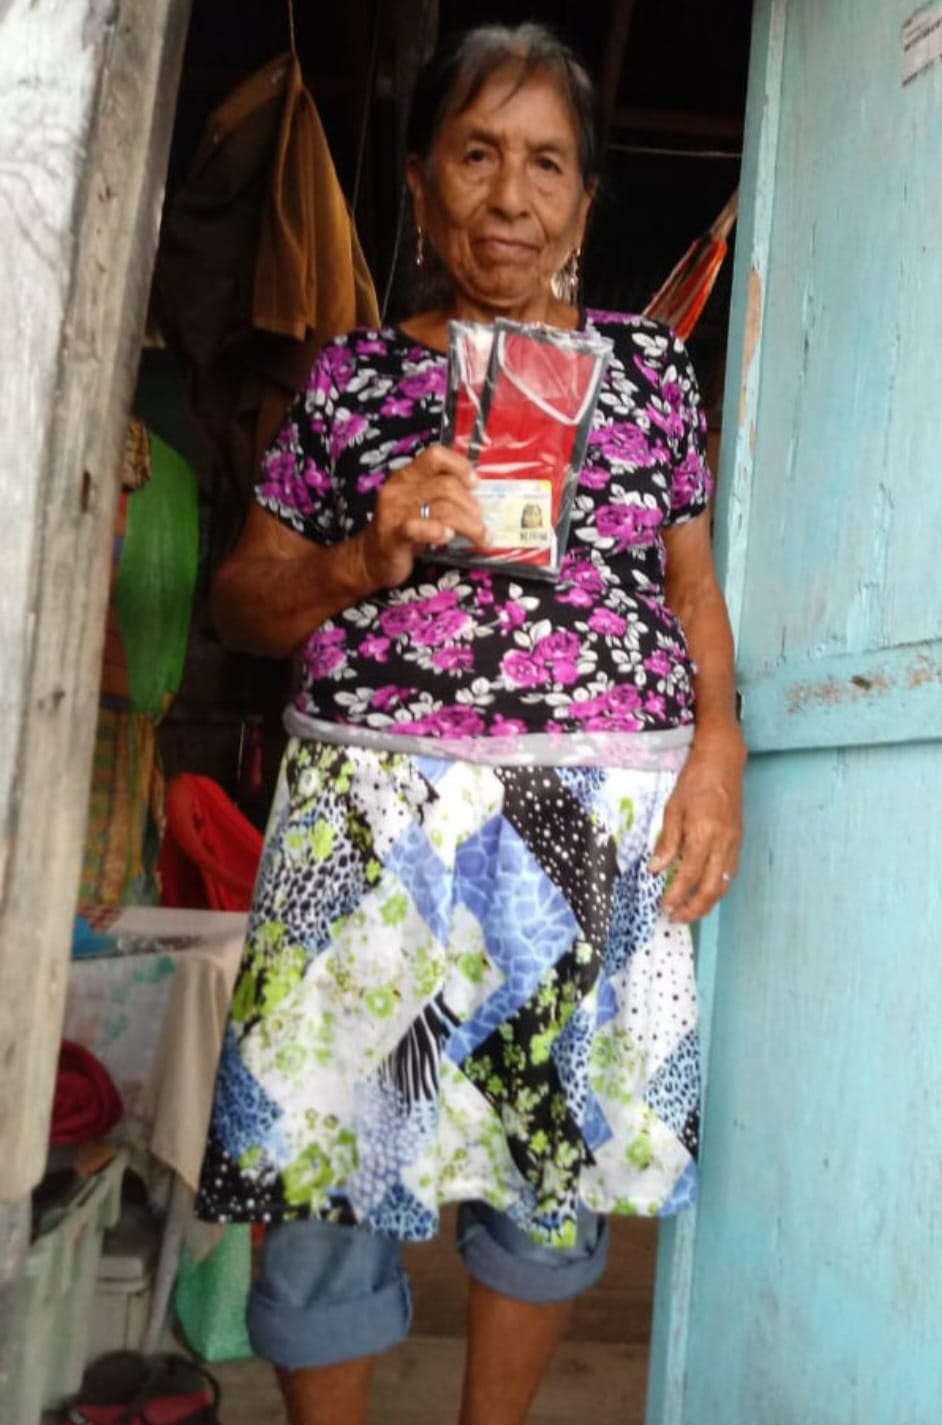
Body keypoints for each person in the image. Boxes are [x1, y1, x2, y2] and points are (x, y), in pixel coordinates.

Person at [196, 22, 746, 1425]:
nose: (510, 197)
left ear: (587, 199)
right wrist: (356, 561)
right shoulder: (353, 381)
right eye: (477, 154)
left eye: (547, 163)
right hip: (369, 819)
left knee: (549, 1176)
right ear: (423, 183)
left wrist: (719, 748)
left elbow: (691, 586)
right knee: (322, 1169)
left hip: (588, 818)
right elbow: (242, 603)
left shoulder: (651, 373)